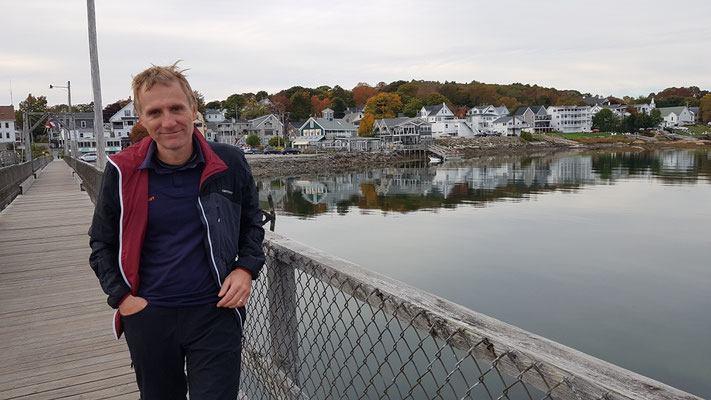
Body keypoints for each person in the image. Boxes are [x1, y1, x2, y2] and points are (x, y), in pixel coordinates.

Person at [88, 62, 265, 400]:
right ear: (141, 118)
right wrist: (123, 300)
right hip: (150, 317)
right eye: (155, 112)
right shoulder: (123, 171)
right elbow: (101, 244)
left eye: (176, 108)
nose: (168, 121)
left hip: (216, 314)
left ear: (193, 109)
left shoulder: (229, 163)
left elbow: (252, 224)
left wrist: (246, 269)